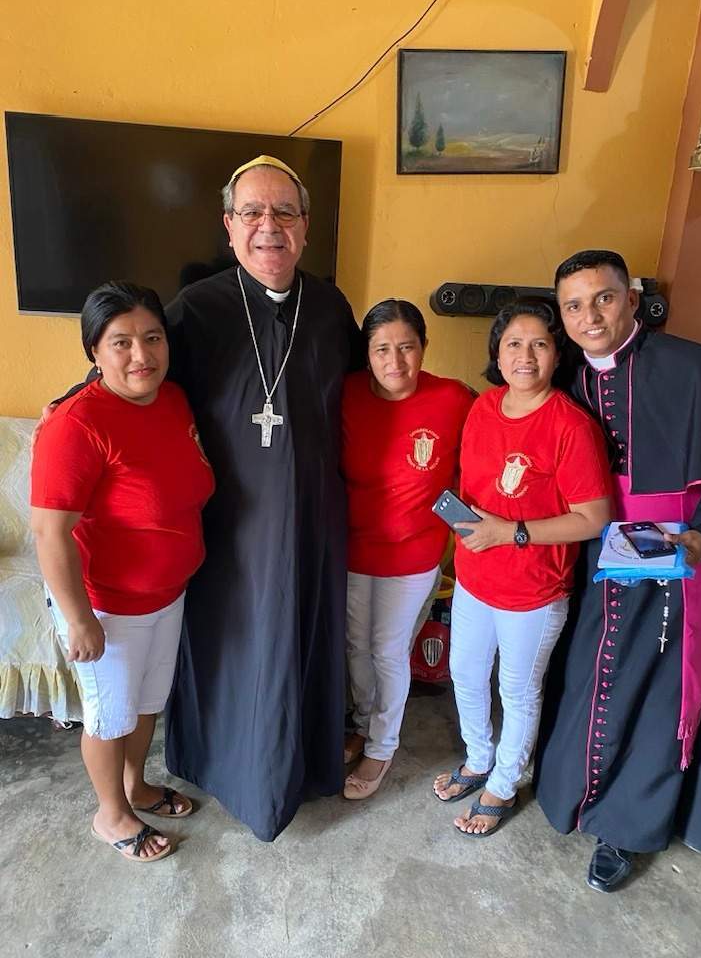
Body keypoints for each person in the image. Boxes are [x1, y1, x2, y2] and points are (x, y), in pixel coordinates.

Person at [162, 155, 364, 840]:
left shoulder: (333, 307)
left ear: (305, 228)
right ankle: (226, 764)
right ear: (229, 226)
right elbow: (132, 378)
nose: (268, 226)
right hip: (231, 526)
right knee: (237, 645)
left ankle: (301, 764)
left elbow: (375, 401)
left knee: (303, 638)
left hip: (312, 520)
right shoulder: (196, 308)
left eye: (284, 213)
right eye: (253, 212)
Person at [533, 250, 701, 891]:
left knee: (651, 694)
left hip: (672, 558)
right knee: (584, 677)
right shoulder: (561, 381)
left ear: (632, 299)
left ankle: (627, 826)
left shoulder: (697, 368)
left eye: (605, 298)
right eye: (574, 306)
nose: (592, 316)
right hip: (585, 553)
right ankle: (571, 792)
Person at [31, 282, 215, 862]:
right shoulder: (76, 425)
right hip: (105, 604)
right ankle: (110, 815)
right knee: (109, 717)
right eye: (122, 343)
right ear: (94, 352)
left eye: (153, 338)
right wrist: (79, 618)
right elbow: (49, 532)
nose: (142, 355)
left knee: (145, 703)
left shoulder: (174, 401)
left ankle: (135, 785)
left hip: (166, 593)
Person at [432, 300, 612, 838]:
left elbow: (593, 518)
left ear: (558, 353)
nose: (525, 355)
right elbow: (474, 489)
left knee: (516, 689)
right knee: (464, 673)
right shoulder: (483, 408)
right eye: (514, 343)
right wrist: (466, 525)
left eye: (539, 343)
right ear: (497, 352)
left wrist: (510, 532)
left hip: (534, 591)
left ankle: (504, 783)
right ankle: (478, 757)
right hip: (474, 576)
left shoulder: (571, 427)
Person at [341, 299, 474, 799]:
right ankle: (361, 723)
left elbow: (475, 470)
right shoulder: (346, 394)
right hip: (354, 547)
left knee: (387, 650)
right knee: (356, 647)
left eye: (406, 347)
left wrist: (469, 534)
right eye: (381, 350)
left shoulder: (452, 398)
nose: (394, 362)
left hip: (415, 552)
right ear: (366, 354)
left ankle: (382, 746)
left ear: (423, 347)